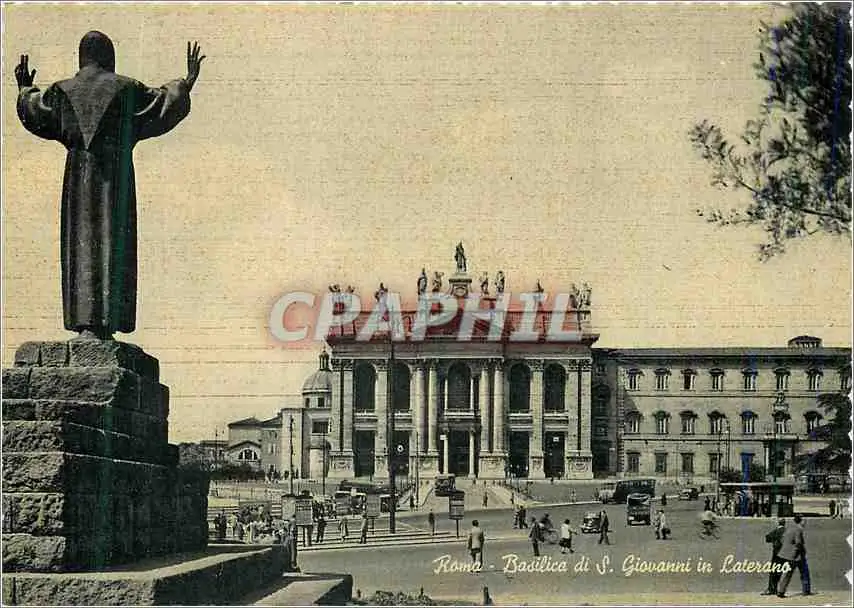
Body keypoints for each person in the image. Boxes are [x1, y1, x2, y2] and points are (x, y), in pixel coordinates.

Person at [14, 33, 204, 339]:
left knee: (81, 243)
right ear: (109, 56)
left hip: (78, 180)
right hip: (116, 180)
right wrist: (186, 82)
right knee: (115, 240)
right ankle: (107, 324)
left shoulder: (63, 91)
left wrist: (25, 88)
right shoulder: (126, 88)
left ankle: (85, 325)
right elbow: (163, 104)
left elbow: (35, 110)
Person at [777, 515, 809, 597]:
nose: (805, 522)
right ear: (801, 521)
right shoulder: (798, 529)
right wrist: (800, 551)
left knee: (786, 574)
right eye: (804, 521)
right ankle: (806, 590)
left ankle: (781, 591)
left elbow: (782, 539)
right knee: (804, 573)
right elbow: (798, 543)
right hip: (796, 556)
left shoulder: (789, 528)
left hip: (787, 555)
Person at [762, 518, 786, 595]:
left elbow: (767, 538)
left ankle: (772, 589)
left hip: (776, 554)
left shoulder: (776, 531)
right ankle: (780, 589)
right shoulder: (787, 531)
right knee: (782, 572)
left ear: (778, 523)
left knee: (773, 571)